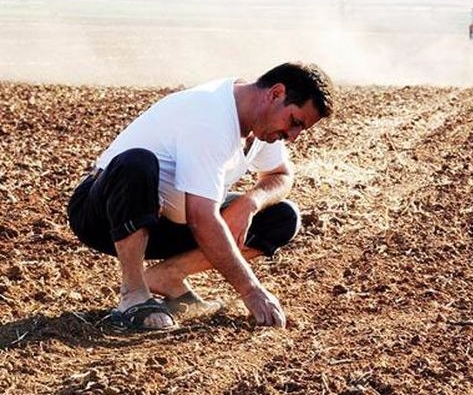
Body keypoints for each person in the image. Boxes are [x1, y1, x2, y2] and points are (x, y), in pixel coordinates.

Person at [66, 62, 334, 331]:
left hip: (168, 222)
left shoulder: (261, 126)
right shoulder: (210, 116)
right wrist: (251, 291)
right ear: (276, 93)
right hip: (105, 215)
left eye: (301, 129)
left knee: (281, 217)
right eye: (295, 122)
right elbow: (201, 218)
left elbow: (280, 174)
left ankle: (169, 275)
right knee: (137, 163)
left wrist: (251, 202)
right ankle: (133, 295)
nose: (293, 136)